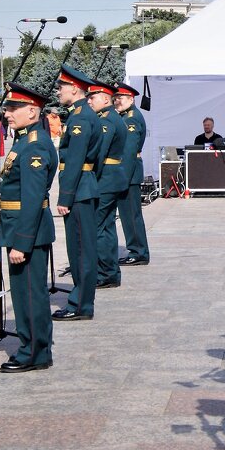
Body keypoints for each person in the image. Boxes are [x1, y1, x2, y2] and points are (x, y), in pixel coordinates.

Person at [0, 82, 58, 373]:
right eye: (8, 107)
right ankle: (34, 345)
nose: (8, 113)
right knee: (24, 293)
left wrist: (21, 242)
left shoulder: (34, 145)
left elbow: (32, 198)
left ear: (32, 111)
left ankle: (33, 350)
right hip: (20, 228)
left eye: (14, 108)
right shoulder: (24, 140)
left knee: (29, 295)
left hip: (27, 232)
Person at [52, 63, 101, 321]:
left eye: (61, 86)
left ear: (74, 88)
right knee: (80, 248)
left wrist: (64, 196)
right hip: (83, 186)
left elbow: (75, 160)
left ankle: (80, 304)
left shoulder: (81, 117)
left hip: (79, 189)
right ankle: (81, 300)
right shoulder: (80, 114)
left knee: (81, 249)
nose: (58, 91)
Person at [87, 77, 129, 290]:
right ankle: (110, 271)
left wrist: (90, 177)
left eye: (92, 97)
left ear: (105, 99)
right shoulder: (113, 117)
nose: (89, 101)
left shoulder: (107, 120)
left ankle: (105, 272)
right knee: (107, 226)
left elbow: (99, 153)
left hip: (106, 180)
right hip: (114, 178)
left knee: (99, 227)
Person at [113, 83, 150, 267]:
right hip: (128, 172)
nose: (117, 101)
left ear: (131, 99)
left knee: (131, 215)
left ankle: (138, 252)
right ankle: (137, 249)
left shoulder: (131, 119)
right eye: (116, 98)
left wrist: (121, 179)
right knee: (129, 214)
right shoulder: (127, 116)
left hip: (128, 173)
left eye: (121, 98)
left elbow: (129, 152)